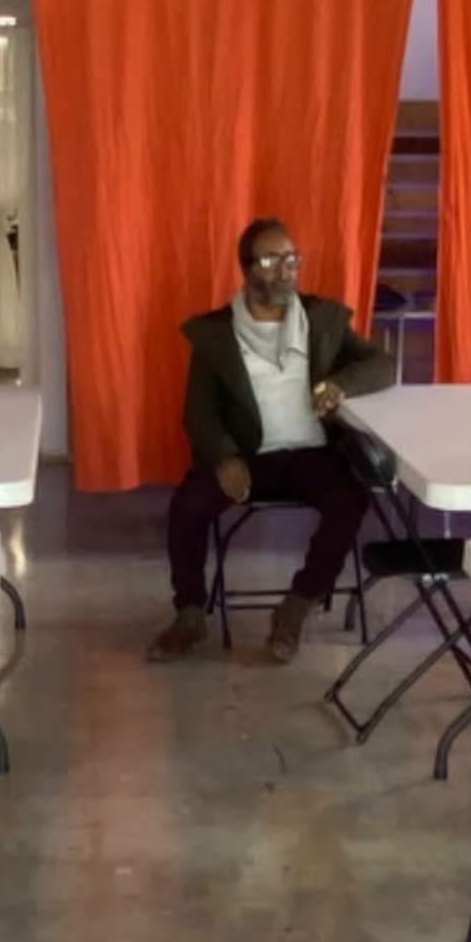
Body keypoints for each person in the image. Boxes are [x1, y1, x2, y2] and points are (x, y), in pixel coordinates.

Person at [154, 215, 393, 663]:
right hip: (247, 457)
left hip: (311, 455)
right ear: (247, 270)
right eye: (271, 260)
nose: (286, 270)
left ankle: (296, 606)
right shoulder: (217, 335)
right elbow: (198, 413)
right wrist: (224, 457)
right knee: (187, 505)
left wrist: (341, 384)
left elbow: (382, 365)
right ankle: (189, 614)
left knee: (350, 499)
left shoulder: (322, 320)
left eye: (292, 259)